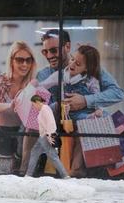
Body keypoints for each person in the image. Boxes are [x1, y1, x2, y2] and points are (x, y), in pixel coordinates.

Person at [35, 45, 104, 177]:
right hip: (64, 114)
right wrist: (34, 87)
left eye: (78, 64)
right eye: (72, 59)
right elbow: (43, 85)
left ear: (87, 68)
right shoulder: (62, 75)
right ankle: (45, 159)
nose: (72, 64)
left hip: (83, 115)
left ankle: (76, 168)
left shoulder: (91, 81)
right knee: (49, 112)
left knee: (82, 134)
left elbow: (97, 98)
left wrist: (98, 111)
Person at [38, 29, 124, 112]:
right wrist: (61, 105)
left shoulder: (90, 66)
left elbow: (117, 93)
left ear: (67, 47)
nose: (49, 56)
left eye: (53, 50)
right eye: (45, 51)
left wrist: (85, 100)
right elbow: (39, 112)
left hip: (93, 123)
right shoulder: (43, 75)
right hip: (60, 126)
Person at [0, 41, 38, 172]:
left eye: (28, 60)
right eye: (20, 60)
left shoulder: (33, 83)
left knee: (28, 127)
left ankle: (19, 163)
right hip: (2, 135)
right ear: (12, 61)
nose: (24, 64)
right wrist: (10, 105)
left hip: (23, 136)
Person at [25, 95, 69, 179]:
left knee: (53, 156)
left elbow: (50, 123)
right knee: (35, 152)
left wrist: (50, 136)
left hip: (46, 136)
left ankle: (65, 175)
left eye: (33, 104)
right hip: (43, 136)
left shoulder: (45, 109)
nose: (33, 107)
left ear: (37, 102)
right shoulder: (43, 109)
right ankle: (28, 174)